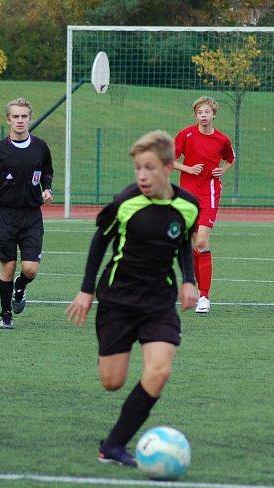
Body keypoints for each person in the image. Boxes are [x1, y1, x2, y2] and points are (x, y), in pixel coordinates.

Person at [66, 130, 199, 467]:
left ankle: (113, 444)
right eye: (138, 168)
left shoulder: (188, 206)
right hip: (119, 300)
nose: (142, 175)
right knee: (113, 382)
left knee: (159, 371)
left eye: (150, 168)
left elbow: (183, 241)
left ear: (170, 167)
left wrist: (189, 281)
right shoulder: (126, 202)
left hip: (158, 302)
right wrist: (85, 290)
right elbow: (100, 242)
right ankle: (110, 358)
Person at [0, 97, 53, 330]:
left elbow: (47, 173)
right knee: (8, 266)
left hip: (32, 215)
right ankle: (6, 314)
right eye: (15, 116)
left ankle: (20, 288)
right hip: (5, 214)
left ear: (30, 118)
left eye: (24, 116)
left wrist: (47, 189)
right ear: (8, 119)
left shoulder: (41, 147)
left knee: (30, 268)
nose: (20, 120)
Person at [173, 96, 235, 315]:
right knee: (190, 245)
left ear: (214, 114)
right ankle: (196, 290)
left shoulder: (222, 139)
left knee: (201, 241)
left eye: (207, 112)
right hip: (187, 197)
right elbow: (169, 160)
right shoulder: (186, 134)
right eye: (200, 112)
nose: (203, 116)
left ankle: (205, 296)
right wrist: (188, 169)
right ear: (195, 115)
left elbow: (230, 158)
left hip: (209, 195)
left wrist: (223, 170)